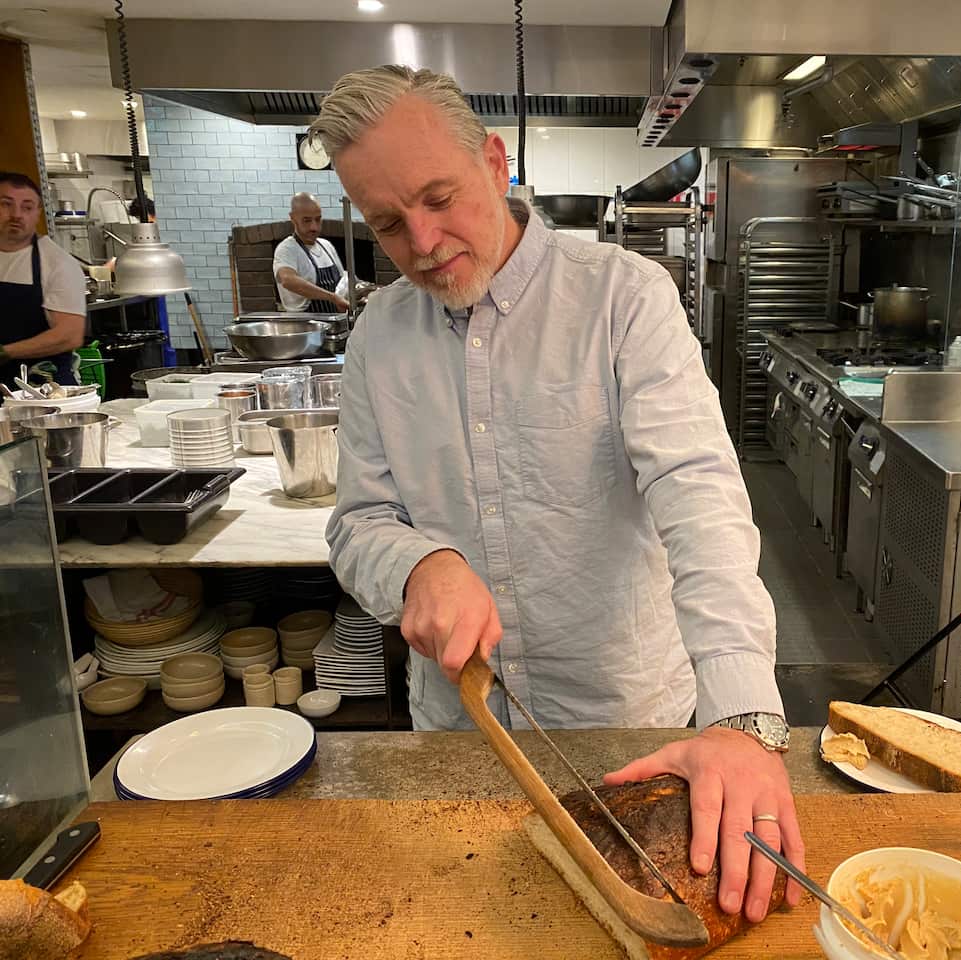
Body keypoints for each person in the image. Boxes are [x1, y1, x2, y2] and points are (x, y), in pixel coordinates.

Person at [312, 65, 802, 925]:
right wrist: (418, 561)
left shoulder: (623, 299)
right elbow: (358, 523)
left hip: (629, 731)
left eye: (440, 198)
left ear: (496, 163)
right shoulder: (378, 337)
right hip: (464, 740)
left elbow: (700, 499)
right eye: (389, 224)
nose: (422, 242)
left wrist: (744, 717)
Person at [0, 172, 86, 387]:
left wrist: (5, 352)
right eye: (6, 204)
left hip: (43, 388)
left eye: (27, 207)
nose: (16, 215)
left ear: (37, 213)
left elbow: (69, 335)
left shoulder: (57, 263)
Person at [272, 193, 350, 313]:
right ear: (293, 218)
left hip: (334, 323)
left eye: (318, 219)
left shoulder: (326, 246)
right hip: (305, 326)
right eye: (307, 221)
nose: (314, 227)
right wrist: (332, 297)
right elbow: (288, 280)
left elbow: (342, 282)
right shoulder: (287, 249)